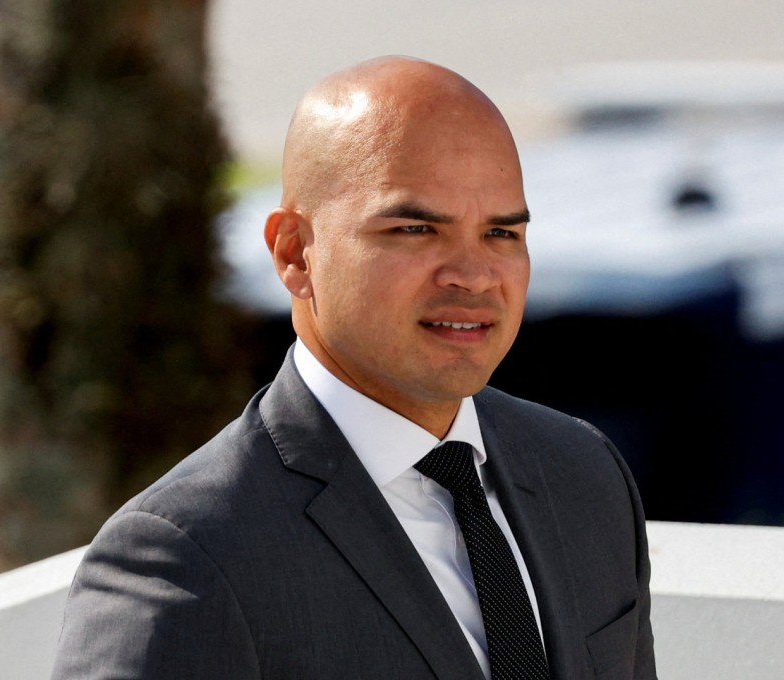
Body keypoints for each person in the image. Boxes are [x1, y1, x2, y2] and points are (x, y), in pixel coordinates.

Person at [52, 56, 657, 680]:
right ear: (295, 253)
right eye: (416, 229)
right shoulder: (186, 554)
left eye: (502, 235)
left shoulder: (585, 474)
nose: (474, 276)